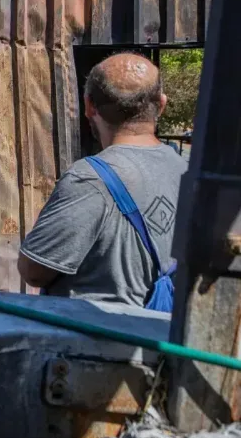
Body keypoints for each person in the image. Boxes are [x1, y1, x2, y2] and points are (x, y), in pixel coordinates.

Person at [18, 52, 187, 309]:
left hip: (102, 340)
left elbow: (34, 271)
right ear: (162, 104)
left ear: (89, 107)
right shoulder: (186, 169)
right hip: (166, 335)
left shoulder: (89, 179)